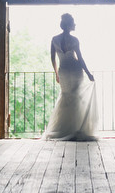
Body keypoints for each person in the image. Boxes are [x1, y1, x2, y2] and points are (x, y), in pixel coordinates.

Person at [42, 13, 99, 141]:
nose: (75, 24)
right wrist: (88, 73)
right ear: (69, 25)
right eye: (73, 22)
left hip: (63, 72)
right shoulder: (74, 40)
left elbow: (53, 58)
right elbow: (80, 59)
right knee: (77, 98)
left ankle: (64, 129)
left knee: (66, 97)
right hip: (75, 71)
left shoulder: (54, 39)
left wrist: (56, 73)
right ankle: (76, 128)